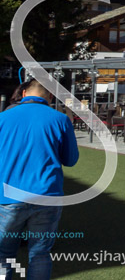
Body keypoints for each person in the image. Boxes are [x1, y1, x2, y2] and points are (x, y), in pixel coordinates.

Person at [0, 78, 79, 279]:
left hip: (9, 198)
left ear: (24, 93)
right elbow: (70, 160)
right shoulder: (60, 120)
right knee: (40, 254)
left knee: (4, 254)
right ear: (50, 96)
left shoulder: (3, 118)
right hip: (46, 196)